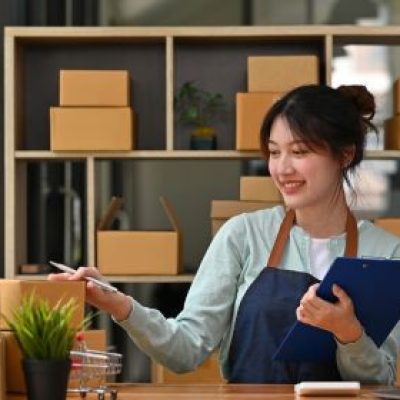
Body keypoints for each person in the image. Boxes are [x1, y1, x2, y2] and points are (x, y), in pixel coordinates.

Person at [49, 84, 400, 384]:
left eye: (300, 151)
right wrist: (118, 303)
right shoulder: (244, 235)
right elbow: (184, 351)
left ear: (345, 155)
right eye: (275, 153)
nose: (282, 168)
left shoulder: (386, 254)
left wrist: (348, 332)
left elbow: (380, 380)